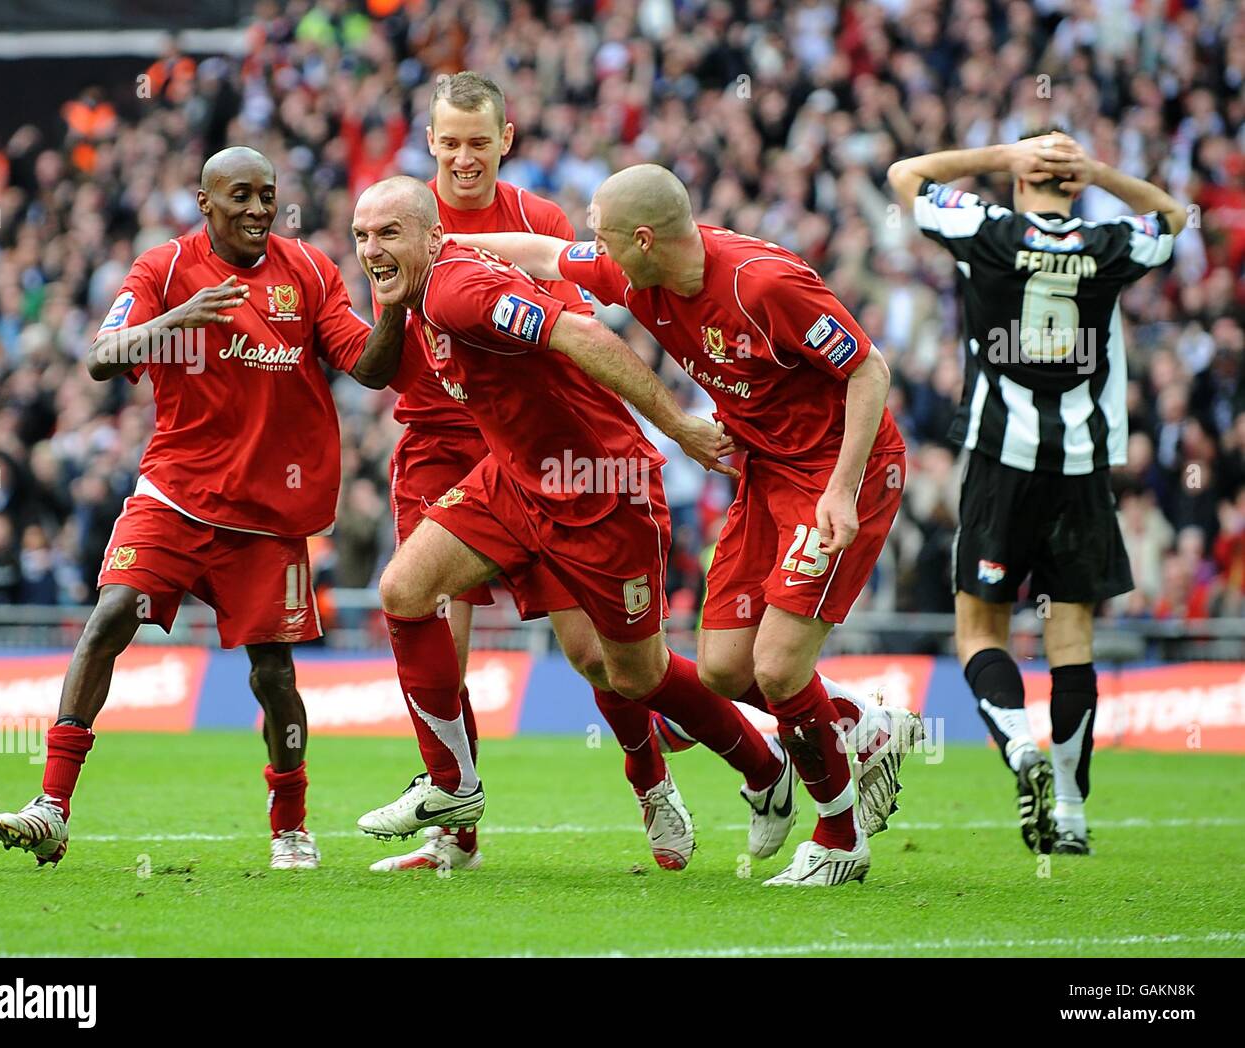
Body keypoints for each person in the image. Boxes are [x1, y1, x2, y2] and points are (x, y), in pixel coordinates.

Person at [439, 163, 920, 888]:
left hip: (838, 474)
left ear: (642, 238)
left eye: (602, 237)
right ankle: (858, 722)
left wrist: (844, 489)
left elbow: (869, 370)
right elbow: (542, 253)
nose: (591, 251)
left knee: (780, 666)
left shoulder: (763, 284)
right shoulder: (636, 273)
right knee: (727, 668)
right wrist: (441, 243)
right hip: (765, 474)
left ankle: (840, 839)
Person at [351, 176, 800, 870]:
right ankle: (452, 788)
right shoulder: (421, 291)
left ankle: (765, 768)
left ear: (430, 236)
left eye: (388, 234)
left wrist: (679, 425)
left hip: (604, 491)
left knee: (632, 675)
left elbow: (579, 331)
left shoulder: (455, 289)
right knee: (404, 590)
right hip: (514, 480)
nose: (372, 249)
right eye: (362, 236)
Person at [0, 146, 394, 870]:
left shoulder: (307, 271)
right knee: (110, 619)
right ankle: (52, 805)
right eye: (240, 196)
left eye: (267, 196)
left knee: (275, 677)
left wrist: (394, 303)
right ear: (204, 202)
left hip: (268, 516)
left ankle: (290, 823)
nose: (258, 210)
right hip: (175, 493)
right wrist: (178, 317)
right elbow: (102, 355)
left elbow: (367, 365)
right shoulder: (163, 269)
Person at [372, 72, 687, 874]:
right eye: (451, 143)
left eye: (480, 143)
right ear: (432, 142)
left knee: (592, 655)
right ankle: (456, 826)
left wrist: (663, 422)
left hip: (537, 454)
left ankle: (652, 782)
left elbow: (575, 338)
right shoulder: (401, 220)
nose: (465, 157)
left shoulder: (537, 224)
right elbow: (383, 347)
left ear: (504, 140)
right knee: (438, 630)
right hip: (438, 446)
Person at [887, 130, 1185, 854]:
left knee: (980, 630)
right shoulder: (1110, 243)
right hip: (1082, 467)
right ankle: (1074, 813)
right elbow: (1175, 217)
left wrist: (998, 156)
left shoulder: (986, 231)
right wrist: (1103, 172)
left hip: (1000, 458)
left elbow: (906, 175)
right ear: (1074, 184)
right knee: (1072, 638)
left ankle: (1019, 745)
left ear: (1022, 179)